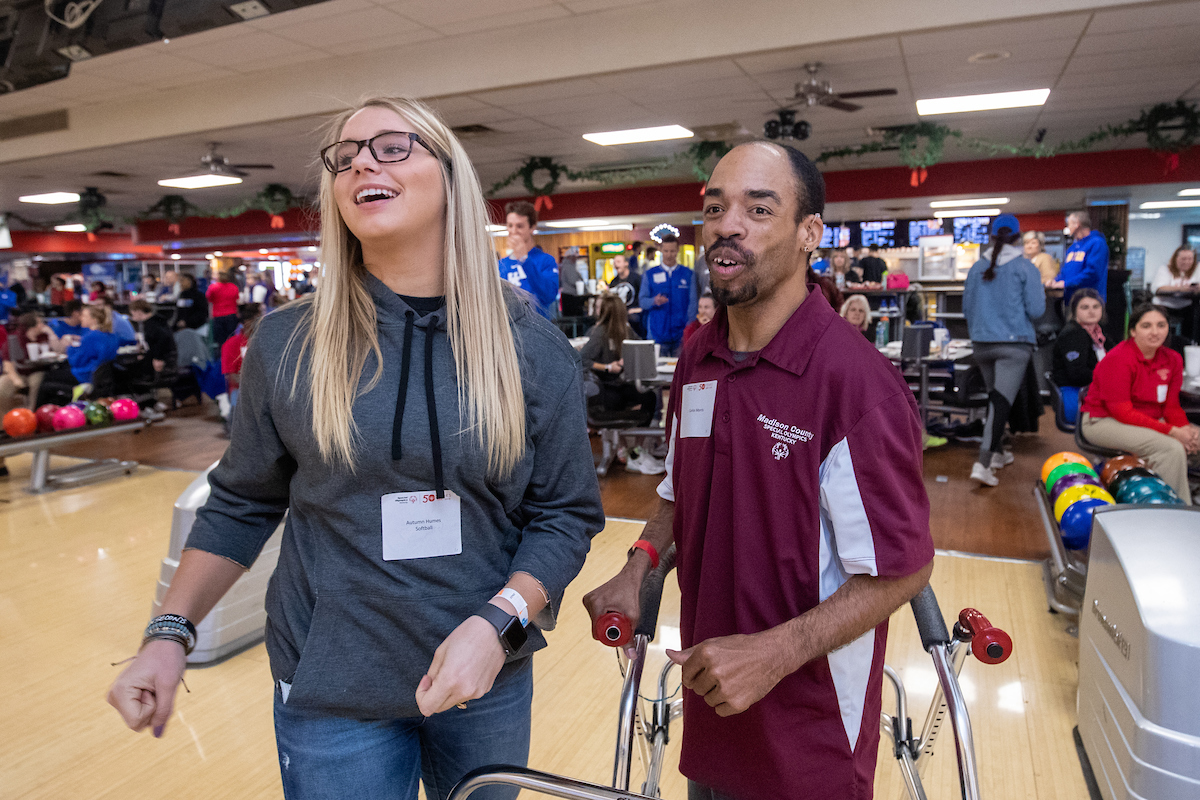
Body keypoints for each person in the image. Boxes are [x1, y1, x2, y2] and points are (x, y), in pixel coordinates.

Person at [106, 96, 604, 800]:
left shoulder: (528, 347)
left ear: (451, 178)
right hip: (329, 680)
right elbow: (243, 501)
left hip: (482, 670)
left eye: (393, 146)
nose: (363, 160)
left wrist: (499, 625)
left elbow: (564, 514)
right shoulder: (287, 345)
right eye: (345, 156)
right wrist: (168, 633)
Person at [584, 140, 934, 800]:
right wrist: (639, 564)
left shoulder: (857, 385)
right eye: (714, 207)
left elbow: (905, 567)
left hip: (808, 737)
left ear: (809, 234)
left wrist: (774, 651)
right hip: (712, 709)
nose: (727, 225)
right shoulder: (698, 359)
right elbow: (680, 492)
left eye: (758, 208)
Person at [1080, 304, 1199, 504]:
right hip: (1102, 421)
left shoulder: (1173, 359)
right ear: (1133, 330)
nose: (1155, 332)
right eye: (1146, 326)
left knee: (1193, 439)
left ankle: (1182, 489)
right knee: (1170, 448)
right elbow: (1122, 412)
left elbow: (1171, 406)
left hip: (1148, 418)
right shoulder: (1118, 359)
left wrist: (1185, 429)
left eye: (1161, 325)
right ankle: (1176, 512)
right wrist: (1172, 431)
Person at [963, 214, 1045, 487]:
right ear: (1019, 238)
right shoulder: (1026, 268)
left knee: (995, 399)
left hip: (981, 343)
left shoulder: (976, 268)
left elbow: (967, 309)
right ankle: (983, 463)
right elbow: (1036, 310)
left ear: (991, 237)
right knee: (1001, 403)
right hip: (1014, 343)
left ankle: (997, 453)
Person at [580, 293, 661, 474]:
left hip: (620, 385)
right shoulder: (600, 333)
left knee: (649, 397)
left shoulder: (625, 329)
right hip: (606, 388)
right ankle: (627, 450)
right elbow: (582, 359)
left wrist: (629, 359)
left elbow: (641, 347)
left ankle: (636, 449)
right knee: (622, 401)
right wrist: (608, 367)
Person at [37, 304, 121, 404]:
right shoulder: (112, 335)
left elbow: (75, 361)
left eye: (84, 316)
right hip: (102, 377)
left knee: (45, 379)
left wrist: (70, 346)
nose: (81, 318)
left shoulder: (90, 337)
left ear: (94, 319)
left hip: (86, 376)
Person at [1051, 288, 1107, 423]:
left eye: (1096, 306)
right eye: (1085, 307)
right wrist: (1109, 378)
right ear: (1075, 311)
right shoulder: (1073, 334)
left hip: (1092, 394)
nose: (1091, 311)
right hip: (1077, 397)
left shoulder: (1099, 334)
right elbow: (1077, 374)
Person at [637, 235, 697, 357]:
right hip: (657, 333)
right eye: (666, 251)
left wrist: (689, 328)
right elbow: (642, 301)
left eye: (672, 251)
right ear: (661, 250)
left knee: (681, 372)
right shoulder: (649, 274)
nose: (669, 254)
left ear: (677, 250)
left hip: (681, 335)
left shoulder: (688, 274)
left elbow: (693, 303)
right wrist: (654, 301)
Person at [498, 200, 559, 320]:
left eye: (519, 226)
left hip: (538, 329)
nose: (513, 231)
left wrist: (524, 260)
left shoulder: (546, 261)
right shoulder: (501, 265)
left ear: (532, 228)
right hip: (509, 330)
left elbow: (548, 296)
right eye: (510, 225)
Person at [1051, 211, 1109, 303]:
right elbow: (1065, 272)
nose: (1067, 227)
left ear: (1077, 224)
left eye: (1069, 224)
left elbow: (1093, 273)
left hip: (1090, 300)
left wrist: (1066, 283)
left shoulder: (1097, 243)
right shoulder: (1072, 248)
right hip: (1071, 300)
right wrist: (1054, 281)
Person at [1150, 245, 1200, 342]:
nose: (1187, 262)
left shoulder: (1195, 271)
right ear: (1175, 259)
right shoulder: (1165, 269)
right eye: (1183, 259)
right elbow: (1159, 289)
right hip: (1164, 306)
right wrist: (1182, 289)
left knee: (1196, 316)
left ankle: (1190, 344)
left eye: (1190, 259)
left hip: (1185, 308)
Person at [220, 303, 262, 412]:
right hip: (241, 390)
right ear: (248, 323)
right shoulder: (232, 345)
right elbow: (232, 377)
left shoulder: (265, 342)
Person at [126, 299, 177, 384]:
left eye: (133, 313)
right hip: (169, 360)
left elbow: (162, 339)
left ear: (139, 311)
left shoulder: (151, 325)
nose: (133, 316)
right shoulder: (158, 321)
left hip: (162, 363)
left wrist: (158, 358)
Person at [608, 254, 643, 335]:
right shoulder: (614, 282)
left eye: (619, 262)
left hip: (635, 315)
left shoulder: (636, 278)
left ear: (626, 263)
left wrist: (637, 309)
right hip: (619, 315)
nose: (616, 264)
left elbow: (643, 297)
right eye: (614, 262)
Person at [207, 270, 241, 347]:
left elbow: (209, 299)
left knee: (221, 340)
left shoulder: (213, 287)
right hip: (231, 314)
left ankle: (222, 355)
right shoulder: (234, 287)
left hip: (218, 315)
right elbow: (237, 300)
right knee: (231, 338)